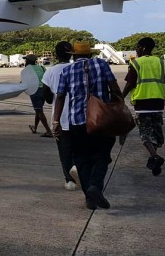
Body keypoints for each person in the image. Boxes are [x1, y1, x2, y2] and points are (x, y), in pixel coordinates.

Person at [51, 42, 121, 210]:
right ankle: (95, 186)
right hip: (101, 120)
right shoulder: (101, 64)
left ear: (74, 56)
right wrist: (118, 109)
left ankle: (89, 198)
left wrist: (56, 121)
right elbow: (114, 88)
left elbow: (60, 96)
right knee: (101, 156)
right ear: (90, 54)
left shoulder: (67, 70)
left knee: (82, 160)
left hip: (77, 122)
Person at [121, 37, 165, 176]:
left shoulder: (136, 63)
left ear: (143, 48)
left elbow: (130, 84)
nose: (136, 49)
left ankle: (155, 157)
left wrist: (120, 98)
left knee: (145, 134)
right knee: (155, 134)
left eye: (138, 47)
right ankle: (154, 161)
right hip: (158, 103)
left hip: (142, 103)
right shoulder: (161, 62)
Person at [41, 41, 79, 191]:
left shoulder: (50, 71)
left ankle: (70, 180)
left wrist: (51, 98)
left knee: (64, 150)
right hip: (79, 115)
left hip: (60, 116)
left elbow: (46, 95)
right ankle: (78, 168)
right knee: (79, 147)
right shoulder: (78, 68)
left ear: (56, 54)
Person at [23, 54, 52, 137]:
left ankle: (48, 131)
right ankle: (35, 127)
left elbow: (25, 81)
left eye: (26, 60)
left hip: (35, 91)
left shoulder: (27, 70)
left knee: (39, 111)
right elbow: (47, 78)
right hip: (44, 91)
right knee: (38, 110)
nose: (25, 61)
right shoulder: (42, 68)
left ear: (29, 61)